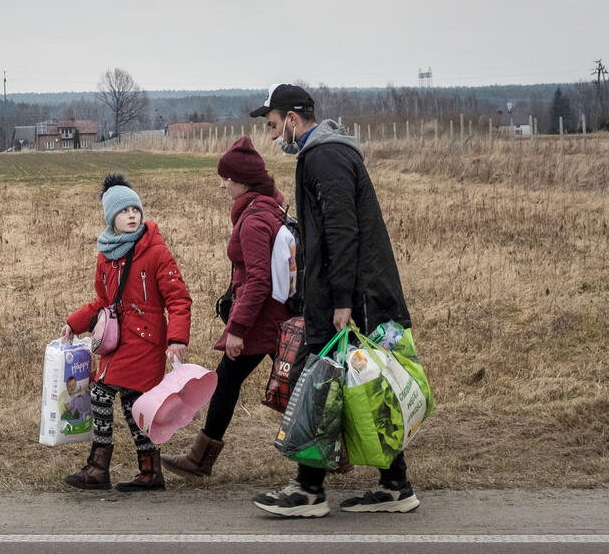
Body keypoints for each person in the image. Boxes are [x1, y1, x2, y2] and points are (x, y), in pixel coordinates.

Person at [250, 84, 419, 515]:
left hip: (352, 297)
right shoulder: (327, 153)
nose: (272, 137)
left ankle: (308, 491)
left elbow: (343, 231)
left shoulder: (324, 156)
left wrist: (342, 300)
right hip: (351, 291)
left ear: (292, 119)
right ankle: (395, 484)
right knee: (360, 386)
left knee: (320, 384)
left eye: (273, 125)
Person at [162, 136, 289, 479]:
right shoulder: (269, 207)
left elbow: (259, 280)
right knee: (286, 386)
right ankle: (200, 459)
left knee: (282, 388)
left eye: (226, 179)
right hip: (274, 318)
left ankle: (200, 460)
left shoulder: (254, 220)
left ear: (241, 181)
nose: (222, 186)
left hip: (262, 321)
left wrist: (237, 329)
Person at [60, 174, 192, 492]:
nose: (132, 215)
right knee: (135, 405)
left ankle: (98, 467)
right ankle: (150, 472)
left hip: (146, 341)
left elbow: (179, 298)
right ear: (111, 218)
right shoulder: (106, 256)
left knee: (102, 392)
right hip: (117, 340)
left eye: (135, 209)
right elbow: (102, 302)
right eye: (124, 211)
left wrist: (177, 339)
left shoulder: (156, 252)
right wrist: (74, 322)